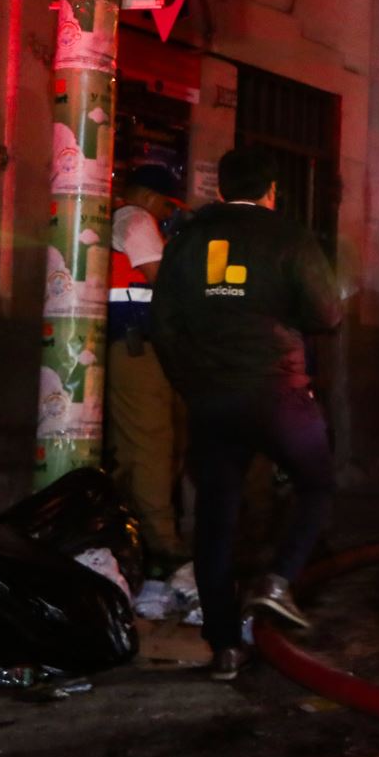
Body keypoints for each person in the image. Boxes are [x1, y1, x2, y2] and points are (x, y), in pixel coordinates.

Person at [150, 147, 342, 681]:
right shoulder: (289, 238)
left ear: (219, 190)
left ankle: (225, 648)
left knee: (215, 517)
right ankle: (279, 580)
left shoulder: (186, 240)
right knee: (317, 483)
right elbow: (328, 313)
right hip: (277, 390)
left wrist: (191, 385)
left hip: (211, 397)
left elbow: (162, 322)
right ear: (271, 192)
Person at [106, 164, 186, 573]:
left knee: (134, 449)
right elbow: (164, 280)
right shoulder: (136, 219)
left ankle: (125, 534)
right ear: (153, 199)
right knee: (153, 444)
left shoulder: (125, 220)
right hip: (137, 350)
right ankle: (163, 544)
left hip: (131, 349)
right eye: (168, 205)